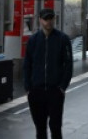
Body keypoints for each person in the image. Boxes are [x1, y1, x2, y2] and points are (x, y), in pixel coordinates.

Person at [24, 8, 73, 139]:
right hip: (36, 91)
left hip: (55, 90)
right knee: (40, 128)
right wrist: (28, 88)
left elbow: (68, 64)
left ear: (54, 19)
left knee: (56, 127)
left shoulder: (63, 39)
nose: (48, 21)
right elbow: (27, 64)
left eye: (51, 18)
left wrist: (62, 87)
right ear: (40, 20)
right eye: (45, 19)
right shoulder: (33, 40)